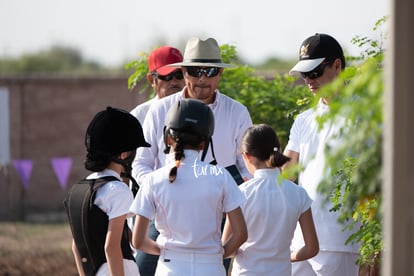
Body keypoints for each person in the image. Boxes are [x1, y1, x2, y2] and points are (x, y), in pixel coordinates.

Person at [131, 37, 253, 275]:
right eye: (196, 71)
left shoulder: (237, 112)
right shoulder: (159, 109)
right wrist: (163, 192)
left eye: (210, 71)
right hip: (165, 215)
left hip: (220, 216)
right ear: (184, 71)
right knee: (142, 269)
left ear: (220, 74)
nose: (203, 78)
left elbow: (247, 166)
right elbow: (142, 162)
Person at [283, 33, 360, 275]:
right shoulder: (304, 120)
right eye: (305, 74)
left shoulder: (364, 117)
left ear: (337, 66)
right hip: (303, 242)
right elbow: (285, 173)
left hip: (343, 243)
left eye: (314, 72)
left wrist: (375, 245)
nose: (308, 80)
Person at [222, 124, 319, 275]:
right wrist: (286, 257)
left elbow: (228, 248)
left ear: (247, 156)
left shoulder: (241, 193)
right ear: (279, 150)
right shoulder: (298, 193)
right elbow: (312, 248)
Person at [65, 106, 151, 276]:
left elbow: (77, 246)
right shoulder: (118, 190)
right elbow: (111, 247)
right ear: (125, 154)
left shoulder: (78, 189)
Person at [130, 45, 185, 124]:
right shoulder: (139, 116)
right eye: (167, 76)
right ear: (152, 80)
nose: (174, 82)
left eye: (179, 74)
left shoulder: (198, 111)